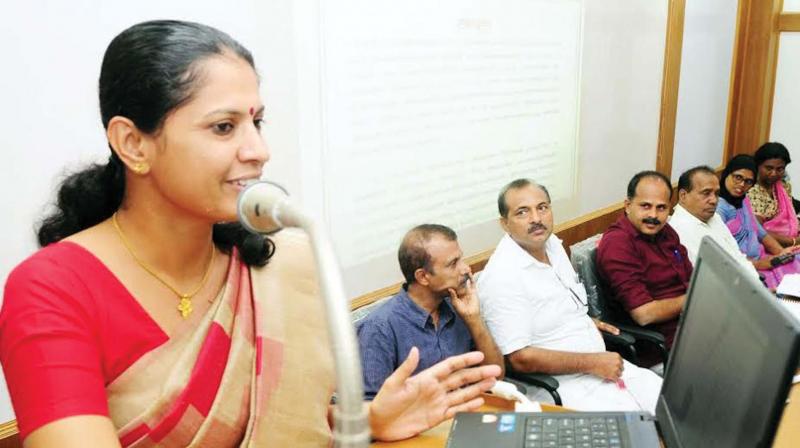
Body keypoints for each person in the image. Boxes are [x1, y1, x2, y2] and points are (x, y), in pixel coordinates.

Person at [0, 20, 500, 448]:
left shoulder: (279, 261)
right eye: (224, 127)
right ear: (133, 143)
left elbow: (287, 426)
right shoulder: (51, 289)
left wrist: (369, 421)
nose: (258, 150)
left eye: (257, 122)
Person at [477, 179, 662, 413]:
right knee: (634, 433)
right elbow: (520, 358)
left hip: (602, 363)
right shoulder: (501, 277)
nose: (536, 218)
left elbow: (556, 302)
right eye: (523, 212)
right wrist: (592, 362)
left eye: (542, 207)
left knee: (673, 409)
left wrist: (583, 322)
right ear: (504, 223)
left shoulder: (551, 243)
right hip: (564, 385)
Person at [357, 224, 504, 399]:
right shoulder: (379, 328)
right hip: (418, 423)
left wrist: (474, 320)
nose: (465, 269)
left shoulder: (457, 305)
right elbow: (369, 408)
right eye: (453, 264)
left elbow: (496, 377)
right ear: (423, 277)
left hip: (467, 411)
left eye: (461, 259)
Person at [596, 171, 692, 365]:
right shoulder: (618, 243)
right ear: (627, 205)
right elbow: (644, 314)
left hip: (691, 323)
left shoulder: (666, 232)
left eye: (661, 208)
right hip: (662, 346)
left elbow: (690, 277)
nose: (653, 215)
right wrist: (694, 299)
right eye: (645, 206)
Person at [717, 154, 800, 290]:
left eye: (748, 181)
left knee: (795, 260)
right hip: (743, 267)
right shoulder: (718, 208)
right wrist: (758, 264)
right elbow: (722, 254)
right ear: (727, 174)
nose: (742, 185)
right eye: (738, 177)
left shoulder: (744, 200)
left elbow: (761, 233)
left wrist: (781, 253)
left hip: (762, 258)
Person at [668, 165, 759, 279]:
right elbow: (710, 277)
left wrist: (757, 284)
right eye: (706, 193)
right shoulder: (677, 231)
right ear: (683, 195)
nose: (714, 200)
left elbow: (738, 256)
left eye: (716, 193)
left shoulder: (714, 217)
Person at [747, 142, 799, 247]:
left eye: (780, 169)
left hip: (791, 235)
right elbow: (758, 231)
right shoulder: (751, 192)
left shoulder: (783, 186)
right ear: (758, 166)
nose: (774, 173)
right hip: (768, 244)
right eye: (769, 168)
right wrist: (792, 241)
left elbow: (789, 215)